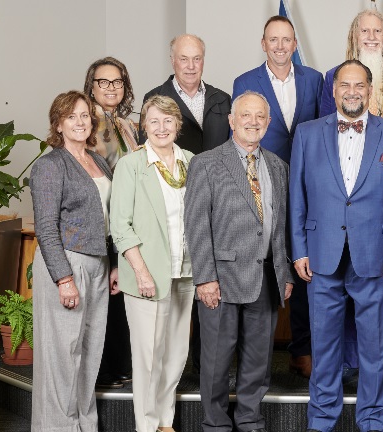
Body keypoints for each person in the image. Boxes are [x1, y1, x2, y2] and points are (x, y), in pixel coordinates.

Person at [289, 60, 383, 432]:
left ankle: (372, 421)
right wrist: (298, 249)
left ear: (370, 90)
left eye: (360, 85)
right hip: (321, 255)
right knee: (324, 347)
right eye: (345, 85)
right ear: (333, 90)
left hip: (377, 258)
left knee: (375, 350)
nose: (352, 92)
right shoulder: (307, 133)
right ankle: (322, 420)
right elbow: (297, 196)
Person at [317, 8, 383, 387]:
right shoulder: (332, 78)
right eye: (365, 30)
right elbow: (324, 140)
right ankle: (347, 365)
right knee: (338, 297)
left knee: (381, 299)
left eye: (378, 30)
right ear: (354, 35)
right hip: (339, 208)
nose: (372, 36)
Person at [184, 90, 294, 432]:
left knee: (258, 359)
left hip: (266, 277)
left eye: (261, 116)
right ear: (232, 121)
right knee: (216, 360)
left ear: (269, 122)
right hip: (222, 279)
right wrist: (204, 278)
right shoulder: (206, 163)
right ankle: (215, 424)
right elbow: (197, 225)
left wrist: (285, 272)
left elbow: (281, 226)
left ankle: (249, 419)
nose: (253, 122)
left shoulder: (278, 166)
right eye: (246, 115)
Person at [232, 14, 324, 379]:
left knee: (303, 267)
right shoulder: (244, 82)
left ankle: (301, 350)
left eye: (287, 40)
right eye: (273, 39)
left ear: (295, 44)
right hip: (260, 184)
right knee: (258, 266)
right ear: (263, 43)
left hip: (306, 187)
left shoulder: (315, 80)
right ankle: (254, 358)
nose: (281, 46)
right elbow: (239, 133)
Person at [141, 33, 232, 374]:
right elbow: (146, 155)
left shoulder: (223, 99)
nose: (191, 66)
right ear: (172, 61)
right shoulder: (156, 98)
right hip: (174, 205)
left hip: (217, 206)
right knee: (175, 286)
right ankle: (169, 370)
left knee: (209, 285)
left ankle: (203, 366)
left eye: (197, 59)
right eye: (184, 59)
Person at [30, 90, 115, 432]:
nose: (80, 122)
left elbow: (109, 217)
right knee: (61, 357)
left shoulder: (99, 160)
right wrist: (63, 278)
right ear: (59, 124)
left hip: (97, 264)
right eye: (71, 117)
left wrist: (114, 265)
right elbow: (46, 228)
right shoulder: (50, 165)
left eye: (84, 116)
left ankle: (83, 425)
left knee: (89, 353)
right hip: (66, 263)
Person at [110, 95, 194, 432]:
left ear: (178, 126)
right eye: (154, 121)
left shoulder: (191, 161)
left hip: (184, 272)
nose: (161, 128)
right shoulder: (131, 165)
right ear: (143, 126)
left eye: (168, 121)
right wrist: (141, 272)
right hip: (147, 274)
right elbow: (120, 225)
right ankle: (146, 426)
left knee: (175, 354)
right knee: (147, 357)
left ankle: (164, 421)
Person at [83, 56, 137, 391]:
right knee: (103, 297)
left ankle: (120, 367)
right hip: (100, 221)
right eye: (103, 82)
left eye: (116, 81)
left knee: (120, 295)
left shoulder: (128, 125)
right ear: (91, 86)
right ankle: (102, 372)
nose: (111, 88)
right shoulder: (85, 122)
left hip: (127, 220)